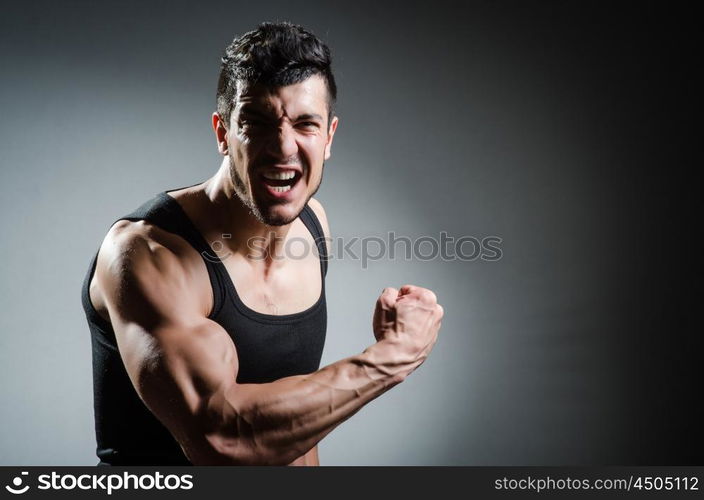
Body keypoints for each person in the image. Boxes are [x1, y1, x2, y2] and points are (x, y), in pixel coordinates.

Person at [81, 21, 443, 466]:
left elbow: (299, 427)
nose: (283, 147)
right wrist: (390, 358)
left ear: (328, 138)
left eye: (305, 124)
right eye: (257, 122)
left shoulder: (312, 225)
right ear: (223, 133)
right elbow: (224, 439)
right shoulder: (148, 255)